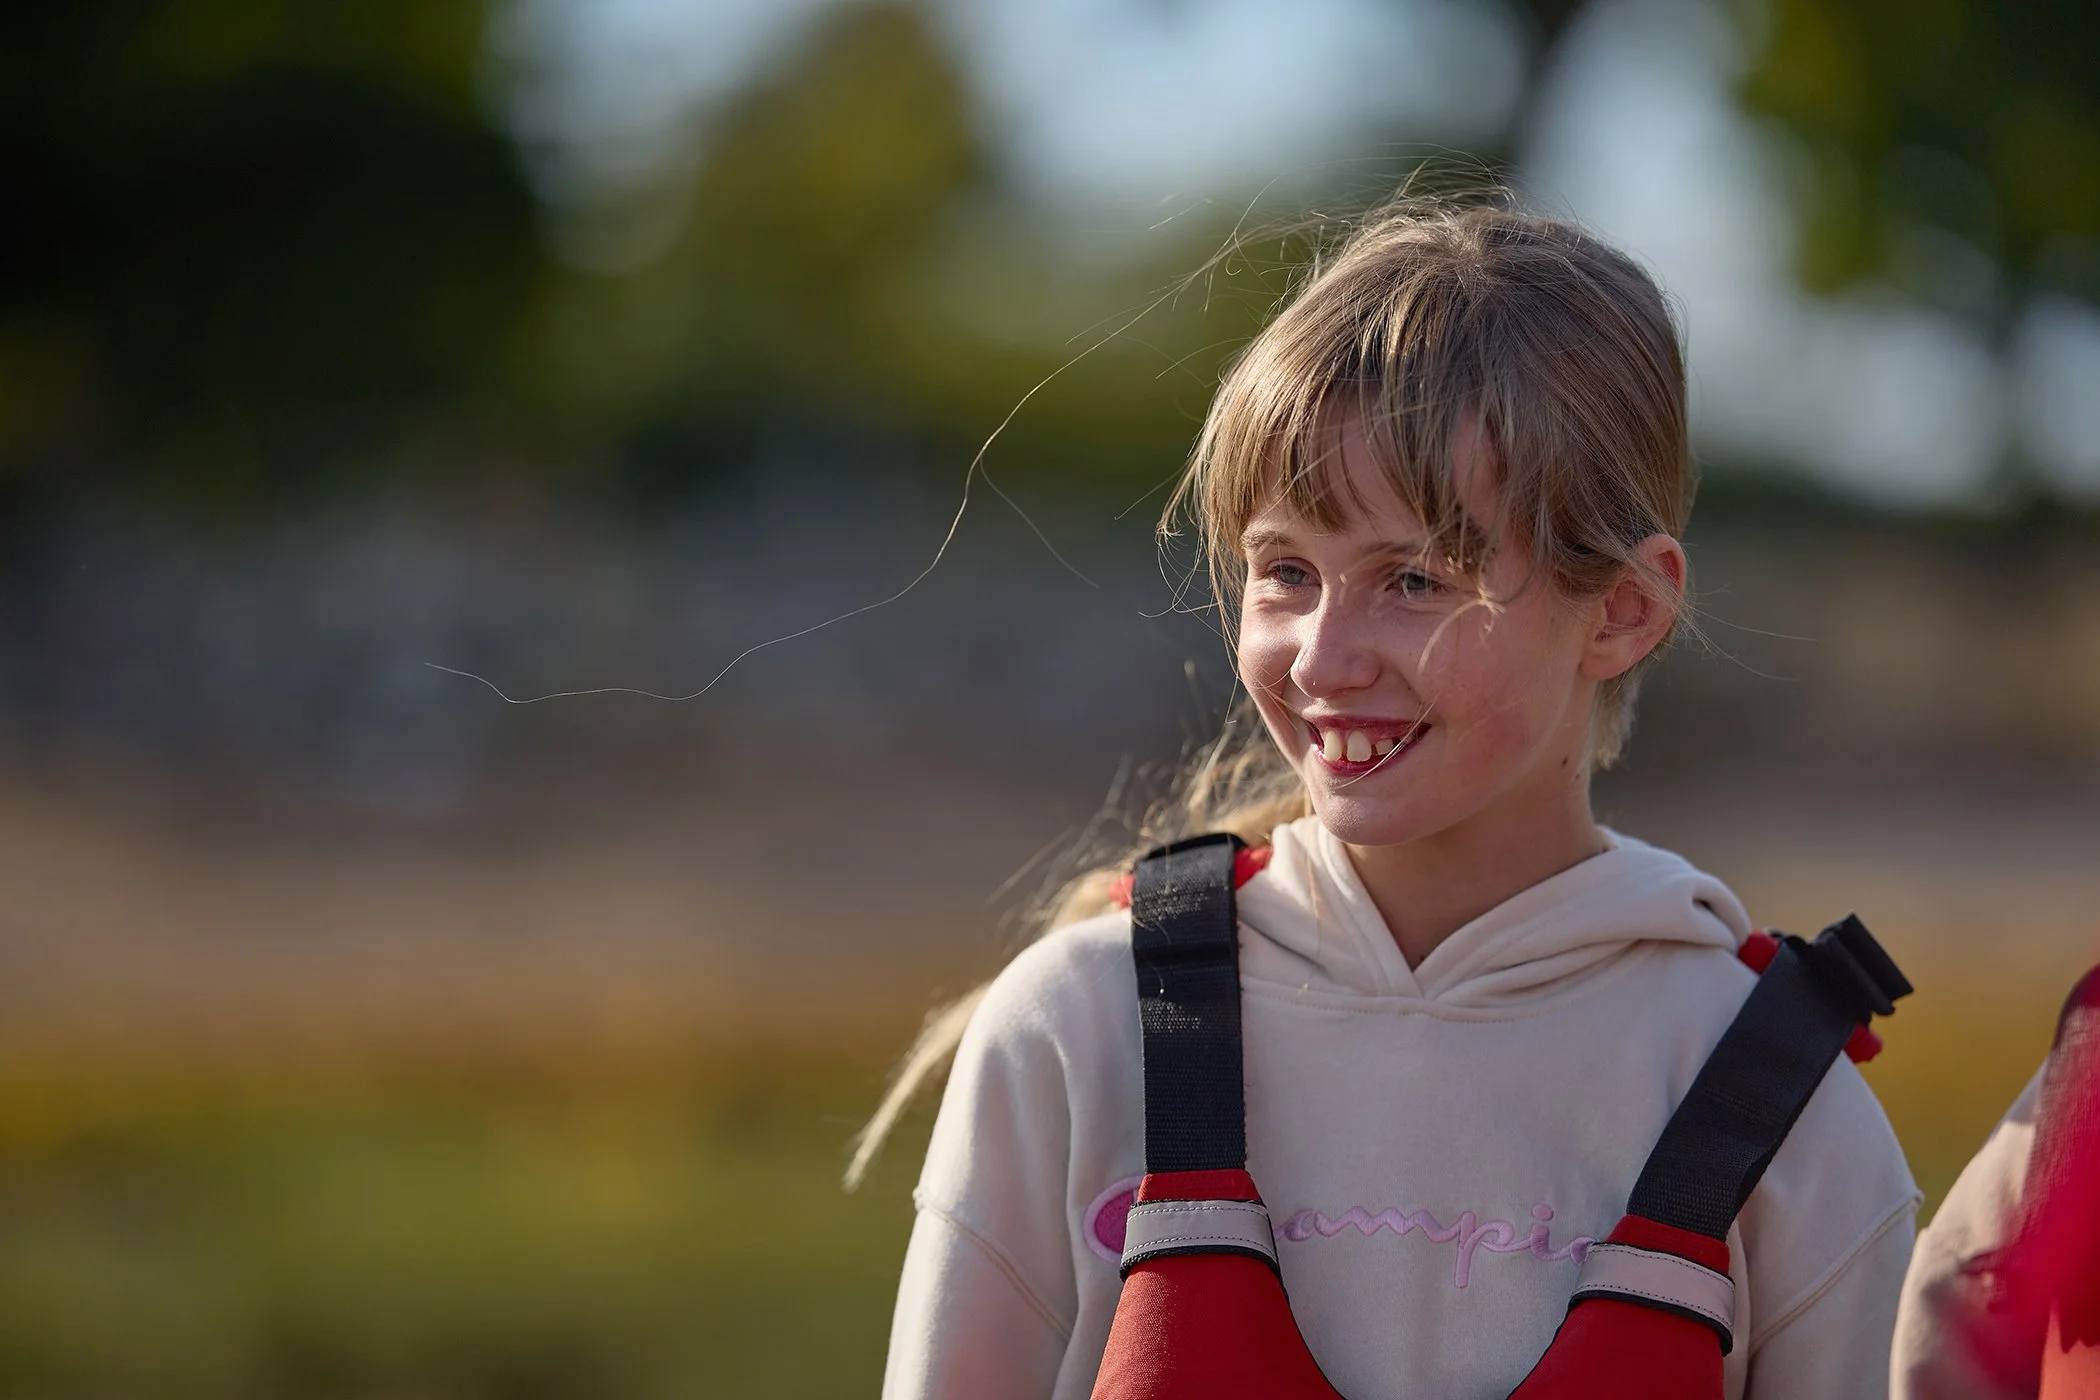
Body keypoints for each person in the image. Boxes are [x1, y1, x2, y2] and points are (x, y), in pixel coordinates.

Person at [859, 198, 1921, 1399]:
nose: (1322, 656)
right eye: (1286, 572)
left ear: (1624, 607)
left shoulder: (1779, 1102)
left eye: (1415, 577)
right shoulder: (1080, 1029)